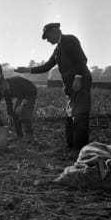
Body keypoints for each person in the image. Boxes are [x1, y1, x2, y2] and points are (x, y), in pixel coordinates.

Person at [15, 23, 92, 159]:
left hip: (80, 82)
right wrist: (27, 70)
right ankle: (70, 147)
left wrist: (78, 78)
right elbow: (46, 66)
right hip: (70, 86)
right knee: (70, 117)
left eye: (47, 37)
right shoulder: (57, 50)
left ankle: (80, 151)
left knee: (80, 116)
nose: (47, 40)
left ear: (55, 31)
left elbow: (82, 60)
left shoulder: (70, 40)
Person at [0, 76, 37, 142]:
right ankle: (19, 136)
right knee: (15, 114)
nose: (1, 90)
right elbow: (9, 103)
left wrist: (22, 105)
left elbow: (27, 91)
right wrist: (9, 115)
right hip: (21, 96)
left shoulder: (15, 82)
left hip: (30, 92)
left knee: (25, 114)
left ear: (4, 82)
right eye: (0, 89)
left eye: (1, 87)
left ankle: (30, 136)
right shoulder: (4, 91)